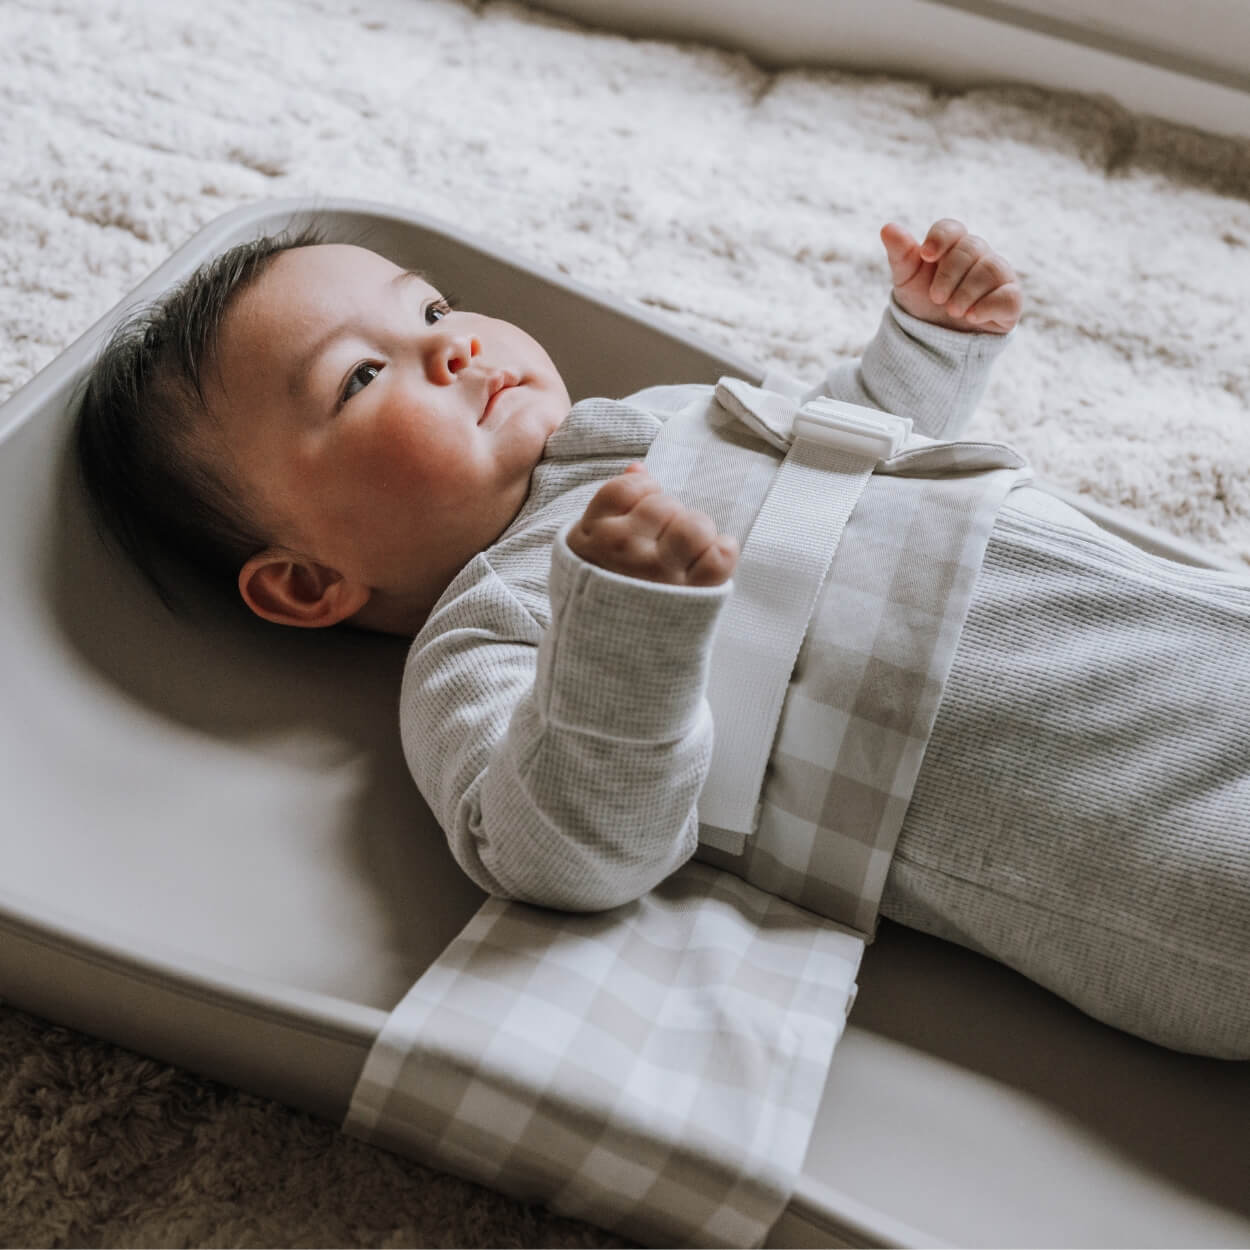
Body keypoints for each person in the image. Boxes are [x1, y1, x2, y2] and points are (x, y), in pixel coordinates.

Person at [76, 219, 1250, 1059]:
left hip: (1180, 619)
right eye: (365, 374)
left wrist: (921, 352)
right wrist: (626, 625)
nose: (456, 345)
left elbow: (829, 460)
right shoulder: (489, 625)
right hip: (1124, 818)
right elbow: (558, 850)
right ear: (304, 580)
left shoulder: (656, 419)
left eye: (430, 306)